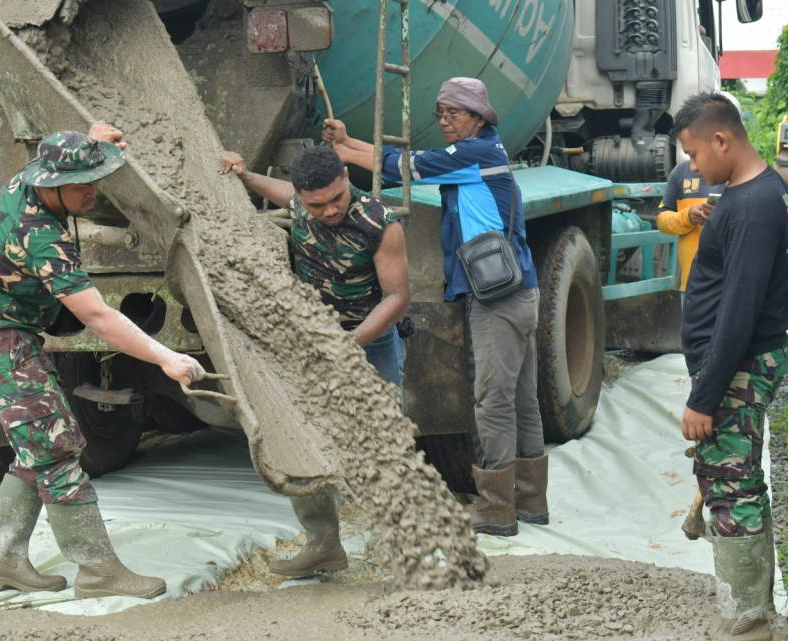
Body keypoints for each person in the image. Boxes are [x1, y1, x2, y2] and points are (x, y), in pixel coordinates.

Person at [0, 124, 205, 600]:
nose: (93, 193)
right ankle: (98, 571)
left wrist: (93, 139)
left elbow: (71, 156)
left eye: (95, 180)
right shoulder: (39, 236)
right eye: (83, 187)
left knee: (37, 445)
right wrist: (166, 357)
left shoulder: (33, 175)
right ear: (53, 184)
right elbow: (99, 318)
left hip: (0, 333)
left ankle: (2, 560)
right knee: (56, 449)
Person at [322, 77, 545, 537]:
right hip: (519, 292)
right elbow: (402, 160)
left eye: (454, 114)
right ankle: (531, 502)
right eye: (440, 114)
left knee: (494, 404)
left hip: (496, 300)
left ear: (478, 118)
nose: (444, 122)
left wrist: (346, 154)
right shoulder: (484, 151)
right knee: (522, 399)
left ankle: (496, 508)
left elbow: (406, 167)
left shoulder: (474, 153)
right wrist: (349, 144)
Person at [219, 145, 411, 576]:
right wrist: (245, 176)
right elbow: (283, 191)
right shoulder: (301, 204)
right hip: (308, 346)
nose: (328, 211)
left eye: (336, 199)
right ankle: (324, 543)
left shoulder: (380, 224)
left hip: (370, 344)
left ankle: (404, 550)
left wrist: (349, 343)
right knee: (297, 439)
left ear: (345, 177)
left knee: (383, 443)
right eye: (316, 204)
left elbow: (398, 297)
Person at [675, 91, 788, 641]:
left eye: (695, 155)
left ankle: (745, 619)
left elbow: (739, 311)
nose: (693, 168)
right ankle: (755, 607)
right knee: (737, 482)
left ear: (722, 140)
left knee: (732, 486)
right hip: (739, 365)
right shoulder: (759, 195)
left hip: (740, 368)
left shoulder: (752, 207)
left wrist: (705, 396)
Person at [656, 159, 726, 293]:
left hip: (727, 284)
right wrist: (687, 217)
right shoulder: (681, 172)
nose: (694, 167)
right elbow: (661, 220)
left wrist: (720, 217)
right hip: (691, 284)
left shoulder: (736, 173)